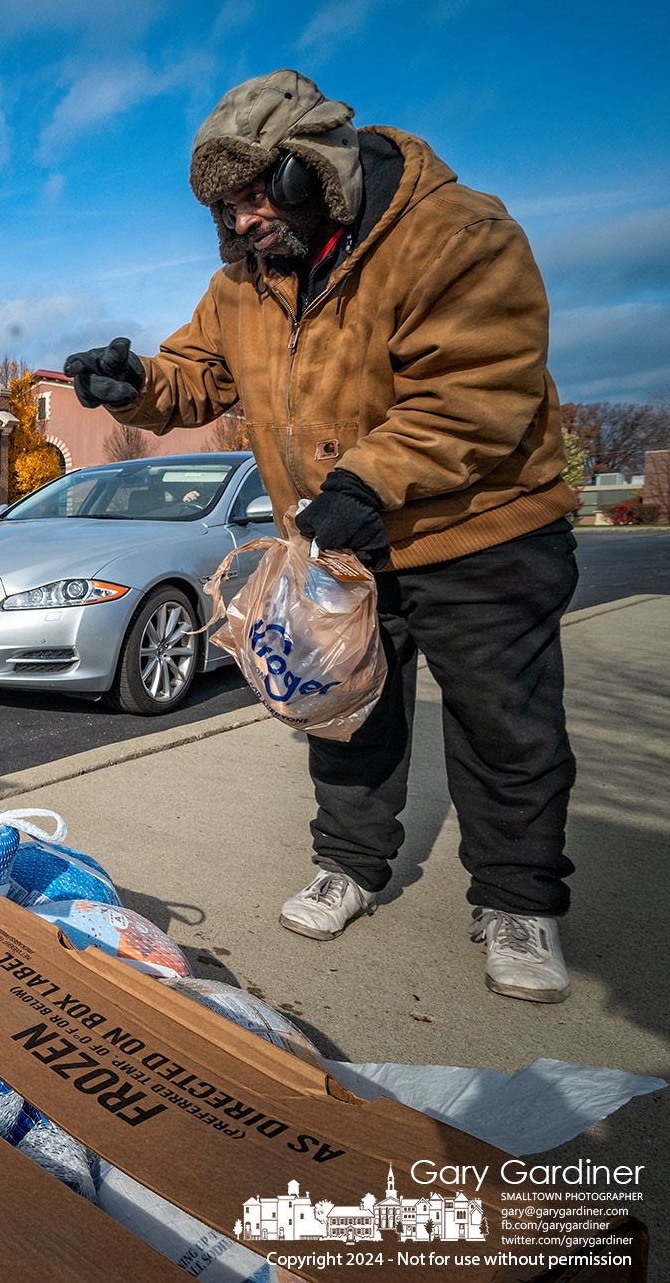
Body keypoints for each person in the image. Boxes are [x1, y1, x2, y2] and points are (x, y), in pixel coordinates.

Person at [64, 70, 579, 1003]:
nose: (245, 220)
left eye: (258, 193)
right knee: (343, 710)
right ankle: (352, 864)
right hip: (344, 541)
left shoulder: (456, 234)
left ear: (317, 166)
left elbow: (476, 390)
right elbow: (196, 374)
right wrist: (133, 383)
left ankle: (517, 902)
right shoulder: (246, 283)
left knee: (503, 725)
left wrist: (365, 482)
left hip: (478, 531)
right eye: (227, 207)